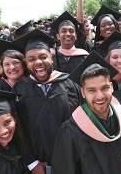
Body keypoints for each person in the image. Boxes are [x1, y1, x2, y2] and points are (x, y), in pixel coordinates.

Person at [12, 29, 81, 174]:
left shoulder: (70, 84)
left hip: (74, 159)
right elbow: (19, 131)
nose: (38, 62)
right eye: (31, 59)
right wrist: (31, 162)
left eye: (43, 57)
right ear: (26, 62)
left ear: (51, 56)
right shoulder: (19, 91)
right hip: (39, 165)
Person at [52, 52, 121, 174]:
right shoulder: (71, 131)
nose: (99, 96)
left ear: (111, 87)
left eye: (104, 88)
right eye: (91, 90)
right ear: (83, 93)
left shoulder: (120, 115)